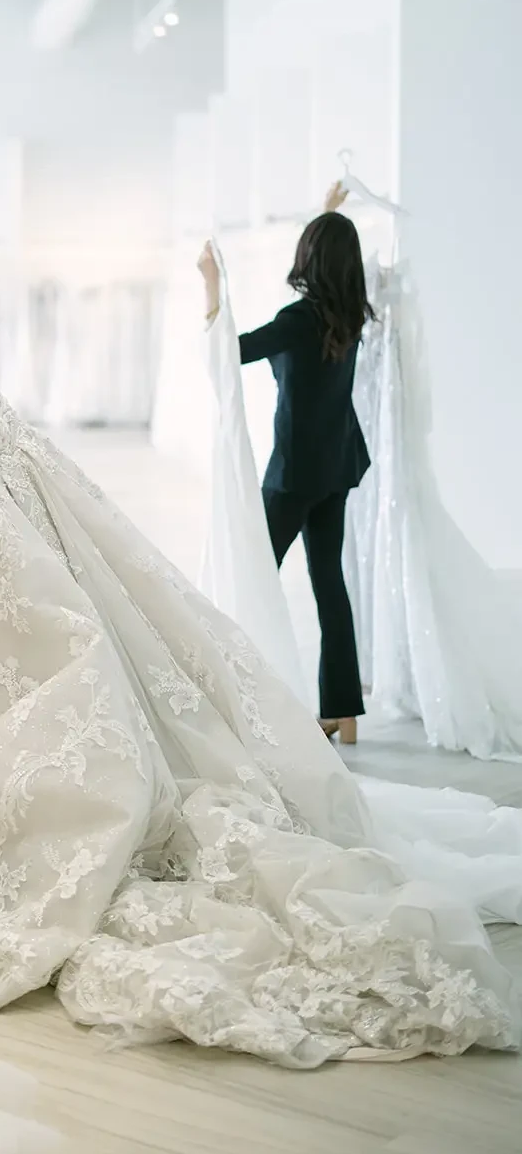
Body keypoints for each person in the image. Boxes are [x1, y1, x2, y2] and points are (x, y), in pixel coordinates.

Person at [197, 184, 373, 743]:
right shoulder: (351, 315)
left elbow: (230, 348)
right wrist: (328, 216)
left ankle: (226, 694)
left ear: (308, 260)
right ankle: (343, 715)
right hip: (337, 467)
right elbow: (333, 262)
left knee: (251, 574)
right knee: (329, 587)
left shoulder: (299, 320)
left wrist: (211, 284)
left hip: (296, 475)